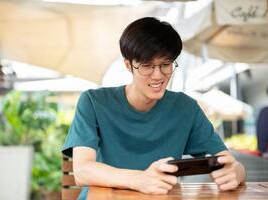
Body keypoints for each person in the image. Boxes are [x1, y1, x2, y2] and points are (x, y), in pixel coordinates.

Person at [62, 17, 246, 199]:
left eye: (166, 64)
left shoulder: (186, 108)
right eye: (147, 66)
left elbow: (227, 160)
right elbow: (82, 171)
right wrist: (140, 179)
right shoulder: (94, 102)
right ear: (129, 65)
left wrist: (236, 172)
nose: (158, 75)